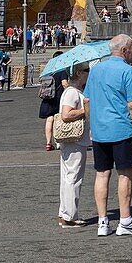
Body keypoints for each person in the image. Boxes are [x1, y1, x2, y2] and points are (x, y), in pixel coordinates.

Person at [83, 34, 132, 237]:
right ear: (124, 50)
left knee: (102, 174)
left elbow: (86, 100)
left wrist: (92, 121)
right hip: (122, 129)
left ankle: (103, 222)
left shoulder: (96, 71)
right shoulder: (129, 72)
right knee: (125, 174)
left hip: (100, 131)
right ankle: (125, 221)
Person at [57, 65, 91, 227]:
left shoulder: (72, 91)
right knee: (73, 177)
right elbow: (66, 114)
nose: (88, 75)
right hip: (75, 140)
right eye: (87, 71)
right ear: (78, 73)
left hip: (72, 141)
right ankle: (70, 215)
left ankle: (64, 212)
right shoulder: (72, 92)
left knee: (67, 176)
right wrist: (85, 110)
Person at [40, 50, 65, 150]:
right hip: (58, 97)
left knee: (49, 119)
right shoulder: (61, 70)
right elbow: (64, 83)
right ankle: (59, 141)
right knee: (59, 118)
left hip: (47, 96)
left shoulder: (48, 69)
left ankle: (48, 143)